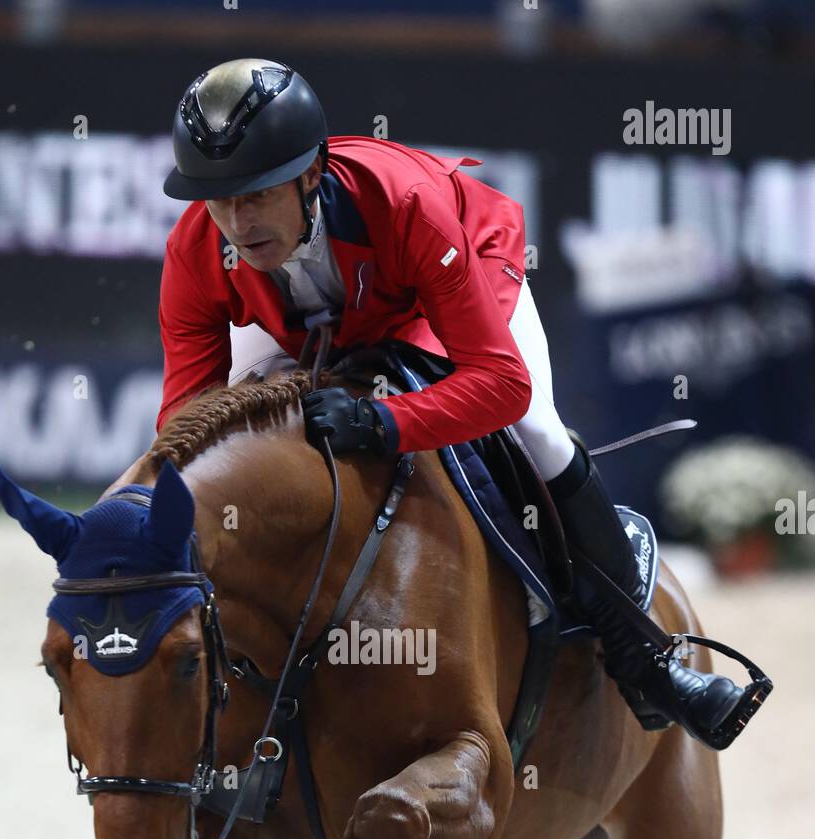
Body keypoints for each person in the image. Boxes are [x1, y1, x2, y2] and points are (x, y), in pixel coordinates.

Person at [159, 57, 748, 747]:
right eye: (218, 199)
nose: (236, 220)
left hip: (444, 284)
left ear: (312, 175)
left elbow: (500, 384)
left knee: (537, 430)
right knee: (239, 443)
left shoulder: (406, 202)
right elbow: (186, 429)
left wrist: (384, 422)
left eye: (256, 195)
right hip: (310, 322)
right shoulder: (198, 249)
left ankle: (644, 660)